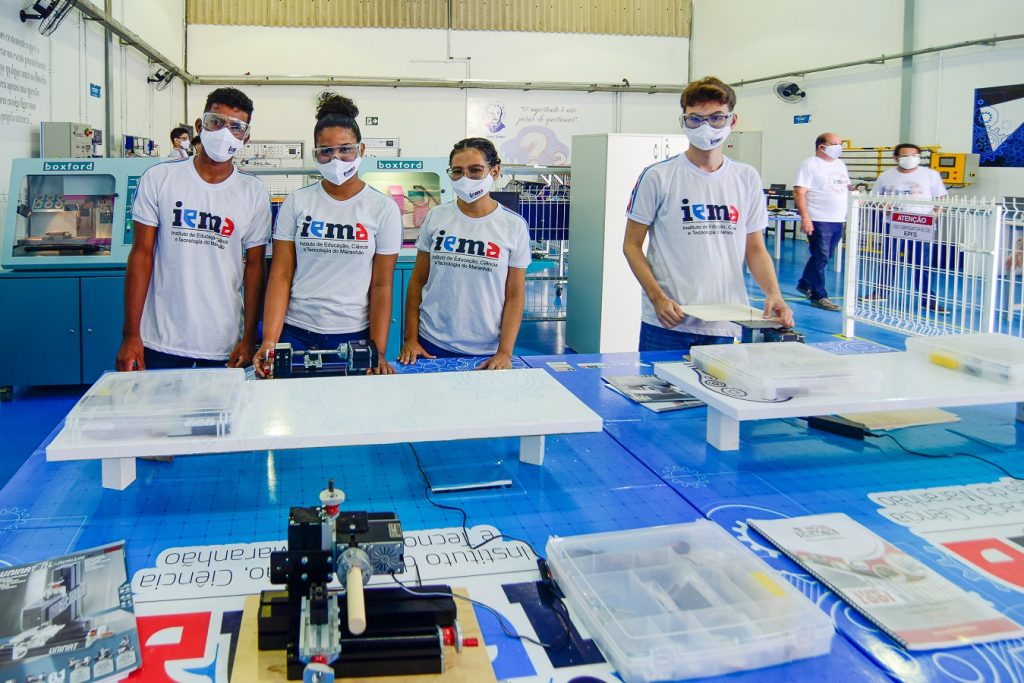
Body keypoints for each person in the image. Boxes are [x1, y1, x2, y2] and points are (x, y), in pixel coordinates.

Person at [623, 76, 793, 354]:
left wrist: (774, 294)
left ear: (732, 120)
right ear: (683, 121)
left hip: (724, 321)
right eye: (695, 119)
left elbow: (755, 248)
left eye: (716, 118)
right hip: (668, 321)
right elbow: (631, 245)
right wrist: (657, 298)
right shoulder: (658, 176)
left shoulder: (746, 178)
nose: (706, 127)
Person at [116, 87, 271, 371]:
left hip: (223, 344)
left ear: (245, 138)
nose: (224, 133)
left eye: (236, 127)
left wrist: (249, 338)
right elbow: (141, 255)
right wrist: (130, 335)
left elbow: (255, 268)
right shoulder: (160, 178)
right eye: (216, 122)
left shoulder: (253, 192)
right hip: (159, 340)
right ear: (200, 126)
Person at [255, 95, 401, 376]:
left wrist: (378, 351)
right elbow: (281, 274)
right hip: (295, 331)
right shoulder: (297, 202)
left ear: (361, 149)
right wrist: (270, 340)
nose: (336, 159)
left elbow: (382, 285)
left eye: (346, 149)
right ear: (316, 154)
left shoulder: (382, 208)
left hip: (353, 335)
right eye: (326, 151)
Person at [398, 138, 530, 370]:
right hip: (431, 343)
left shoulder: (513, 225)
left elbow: (515, 295)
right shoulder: (437, 216)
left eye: (475, 170)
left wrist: (504, 352)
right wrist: (410, 338)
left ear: (494, 171)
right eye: (457, 171)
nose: (465, 178)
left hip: (486, 351)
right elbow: (418, 281)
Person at [869, 143, 949, 312]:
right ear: (896, 158)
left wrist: (935, 214)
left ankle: (927, 299)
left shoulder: (930, 175)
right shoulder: (886, 176)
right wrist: (883, 206)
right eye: (905, 155)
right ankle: (881, 292)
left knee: (923, 263)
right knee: (888, 259)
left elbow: (941, 197)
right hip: (894, 223)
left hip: (921, 223)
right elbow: (875, 198)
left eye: (914, 155)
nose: (910, 159)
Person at [793, 132, 852, 312]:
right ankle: (819, 296)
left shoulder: (840, 164)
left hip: (837, 219)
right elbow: (799, 192)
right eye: (835, 144)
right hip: (819, 219)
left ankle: (805, 283)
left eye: (840, 143)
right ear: (821, 146)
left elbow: (846, 186)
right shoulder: (810, 164)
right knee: (821, 257)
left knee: (824, 257)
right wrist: (806, 218)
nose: (839, 147)